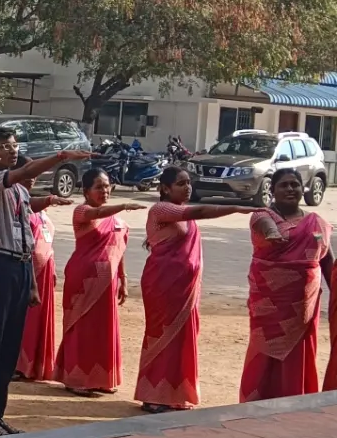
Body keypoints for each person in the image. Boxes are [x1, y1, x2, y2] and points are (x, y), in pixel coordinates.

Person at [0, 126, 90, 438]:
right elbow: (22, 171)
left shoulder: (21, 190)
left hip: (20, 267)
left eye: (13, 145)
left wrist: (32, 283)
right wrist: (60, 156)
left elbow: (25, 230)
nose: (11, 150)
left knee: (10, 345)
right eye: (4, 146)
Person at [135, 167, 260, 412]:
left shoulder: (183, 216)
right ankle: (153, 396)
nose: (187, 187)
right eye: (181, 183)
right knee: (162, 336)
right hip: (163, 285)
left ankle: (174, 394)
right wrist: (235, 208)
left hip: (184, 289)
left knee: (181, 338)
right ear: (165, 188)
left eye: (189, 182)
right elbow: (202, 210)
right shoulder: (161, 209)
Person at [239, 167, 333, 402]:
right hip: (270, 304)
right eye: (284, 185)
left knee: (299, 354)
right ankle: (255, 403)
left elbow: (326, 259)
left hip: (304, 307)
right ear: (273, 189)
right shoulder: (263, 215)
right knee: (264, 351)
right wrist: (273, 234)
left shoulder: (315, 222)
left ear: (303, 189)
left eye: (295, 184)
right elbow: (265, 226)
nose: (291, 189)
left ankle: (296, 400)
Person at [53, 169, 144, 396]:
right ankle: (75, 378)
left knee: (103, 329)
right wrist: (123, 206)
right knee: (81, 328)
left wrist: (123, 278)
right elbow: (98, 213)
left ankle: (100, 378)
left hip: (107, 282)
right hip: (83, 279)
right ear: (86, 191)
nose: (104, 191)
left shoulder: (119, 222)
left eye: (107, 186)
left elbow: (118, 251)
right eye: (98, 187)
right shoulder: (82, 211)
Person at [16, 200, 59, 384]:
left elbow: (50, 247)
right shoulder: (27, 217)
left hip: (45, 275)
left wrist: (54, 270)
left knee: (40, 319)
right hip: (31, 274)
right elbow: (25, 248)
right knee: (26, 320)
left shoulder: (47, 220)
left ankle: (38, 364)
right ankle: (20, 365)